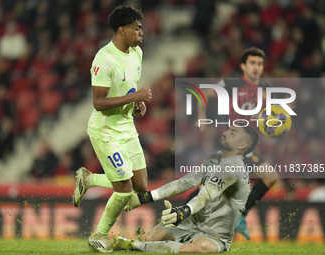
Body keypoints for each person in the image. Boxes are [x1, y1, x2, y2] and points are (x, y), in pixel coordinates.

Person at [72, 6, 152, 252]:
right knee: (124, 189)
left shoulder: (136, 53)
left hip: (127, 126)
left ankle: (89, 178)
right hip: (105, 130)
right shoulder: (104, 58)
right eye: (137, 28)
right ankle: (99, 235)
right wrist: (135, 96)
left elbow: (126, 92)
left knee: (140, 186)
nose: (141, 32)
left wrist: (137, 105)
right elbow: (99, 103)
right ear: (122, 29)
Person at [114, 124, 259, 253]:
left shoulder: (235, 168)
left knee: (198, 248)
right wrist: (145, 197)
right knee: (153, 240)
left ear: (242, 145)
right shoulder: (216, 157)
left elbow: (207, 194)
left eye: (232, 133)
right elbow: (184, 183)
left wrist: (184, 211)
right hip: (192, 221)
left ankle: (134, 246)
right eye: (229, 129)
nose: (225, 132)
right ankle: (155, 245)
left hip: (215, 234)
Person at [193, 47, 279, 240]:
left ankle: (241, 214)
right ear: (243, 65)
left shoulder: (265, 90)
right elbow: (205, 93)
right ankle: (182, 216)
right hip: (233, 145)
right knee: (211, 188)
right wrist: (201, 115)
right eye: (252, 63)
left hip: (247, 147)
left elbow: (268, 119)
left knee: (269, 177)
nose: (256, 67)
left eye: (259, 64)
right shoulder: (232, 84)